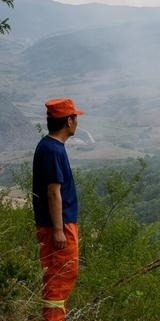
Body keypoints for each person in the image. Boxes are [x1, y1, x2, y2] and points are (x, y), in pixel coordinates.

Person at [32, 98, 84, 321]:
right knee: (60, 277)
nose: (76, 122)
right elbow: (53, 192)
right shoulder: (53, 150)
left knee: (58, 278)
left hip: (56, 225)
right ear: (69, 121)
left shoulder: (49, 146)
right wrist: (59, 230)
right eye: (75, 118)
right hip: (59, 227)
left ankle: (55, 316)